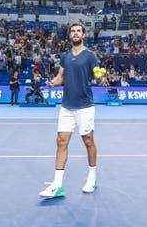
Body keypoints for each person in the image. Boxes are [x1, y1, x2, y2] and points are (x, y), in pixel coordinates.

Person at [39, 23, 100, 199]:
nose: (75, 33)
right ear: (70, 35)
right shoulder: (65, 57)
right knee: (61, 141)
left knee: (88, 141)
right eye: (73, 31)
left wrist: (99, 75)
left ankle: (92, 178)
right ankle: (57, 185)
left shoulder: (90, 56)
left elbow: (97, 75)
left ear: (83, 35)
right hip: (66, 106)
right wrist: (52, 83)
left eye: (78, 31)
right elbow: (61, 78)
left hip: (85, 106)